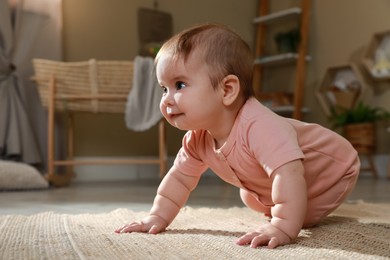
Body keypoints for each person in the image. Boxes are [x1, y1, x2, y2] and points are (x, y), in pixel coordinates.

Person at [115, 23, 360, 249]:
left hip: (332, 171)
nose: (167, 99)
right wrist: (157, 216)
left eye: (179, 85)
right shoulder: (196, 138)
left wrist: (283, 225)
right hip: (284, 177)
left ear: (227, 90)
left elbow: (289, 173)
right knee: (251, 198)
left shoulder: (261, 126)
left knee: (297, 214)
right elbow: (179, 180)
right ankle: (286, 205)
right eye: (163, 88)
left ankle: (292, 212)